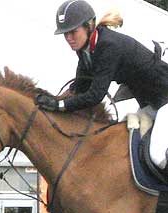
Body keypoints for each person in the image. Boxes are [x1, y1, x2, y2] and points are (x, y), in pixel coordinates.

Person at [36, 0, 168, 178]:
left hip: (164, 102)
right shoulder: (86, 50)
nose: (69, 38)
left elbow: (95, 95)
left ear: (89, 26)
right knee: (131, 146)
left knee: (158, 155)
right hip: (152, 104)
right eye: (65, 34)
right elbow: (79, 88)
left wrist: (58, 106)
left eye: (73, 32)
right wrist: (50, 102)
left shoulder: (108, 46)